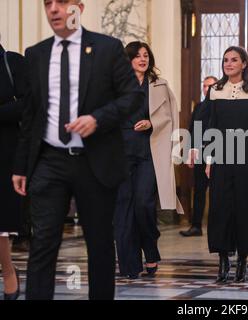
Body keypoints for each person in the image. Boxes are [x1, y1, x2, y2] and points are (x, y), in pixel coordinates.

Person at [12, 0, 144, 299]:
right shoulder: (36, 54)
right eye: (48, 4)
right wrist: (21, 166)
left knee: (98, 244)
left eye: (62, 3)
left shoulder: (108, 49)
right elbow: (31, 115)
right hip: (49, 161)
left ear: (79, 8)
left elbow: (132, 97)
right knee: (42, 244)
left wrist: (98, 118)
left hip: (94, 161)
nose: (54, 10)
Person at [115, 41, 184, 279]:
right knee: (123, 209)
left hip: (149, 152)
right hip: (121, 153)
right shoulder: (116, 85)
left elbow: (170, 116)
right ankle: (129, 264)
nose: (143, 59)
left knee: (143, 204)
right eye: (137, 56)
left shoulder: (159, 85)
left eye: (146, 55)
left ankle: (151, 251)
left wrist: (152, 123)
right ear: (129, 59)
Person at [204, 46, 248, 283]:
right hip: (221, 158)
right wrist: (209, 159)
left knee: (245, 208)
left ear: (244, 64)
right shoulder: (215, 90)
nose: (229, 63)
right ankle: (223, 259)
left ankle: (242, 260)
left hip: (247, 157)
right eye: (225, 60)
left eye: (234, 60)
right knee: (220, 208)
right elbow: (210, 126)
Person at [0, 42, 26, 300]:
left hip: (5, 152)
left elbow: (29, 104)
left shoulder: (12, 62)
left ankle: (8, 270)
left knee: (0, 222)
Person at [181, 76, 218, 237]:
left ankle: (216, 227)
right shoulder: (199, 107)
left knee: (218, 192)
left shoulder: (221, 106)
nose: (206, 89)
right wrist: (190, 151)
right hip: (201, 154)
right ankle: (196, 225)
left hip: (220, 154)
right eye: (204, 86)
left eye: (210, 86)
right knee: (199, 190)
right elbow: (192, 129)